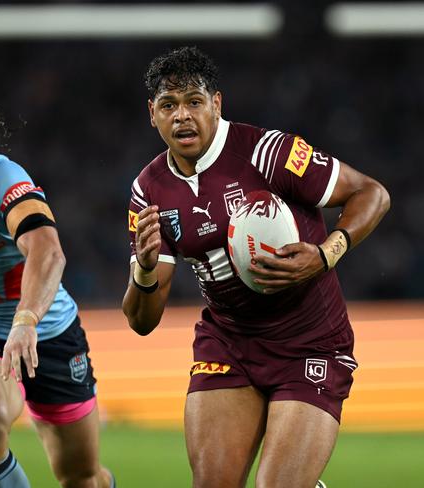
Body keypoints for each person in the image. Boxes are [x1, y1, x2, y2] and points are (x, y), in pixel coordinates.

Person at [122, 46, 390, 487]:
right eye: (169, 105)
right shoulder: (148, 190)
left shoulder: (268, 152)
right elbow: (141, 321)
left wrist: (326, 253)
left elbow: (372, 194)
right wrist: (145, 271)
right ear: (152, 114)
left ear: (217, 104)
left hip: (309, 343)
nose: (182, 116)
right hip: (229, 344)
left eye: (194, 101)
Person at [0, 93, 114, 487]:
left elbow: (47, 250)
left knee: (81, 476)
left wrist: (26, 321)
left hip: (48, 334)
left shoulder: (0, 178)